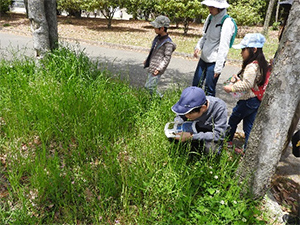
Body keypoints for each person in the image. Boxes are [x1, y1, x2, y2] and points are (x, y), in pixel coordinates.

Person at [223, 33, 269, 154]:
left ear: (253, 50)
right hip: (256, 100)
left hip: (247, 100)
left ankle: (227, 141)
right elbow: (253, 83)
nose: (241, 52)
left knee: (233, 119)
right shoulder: (261, 64)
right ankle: (247, 149)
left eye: (244, 49)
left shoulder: (251, 67)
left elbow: (247, 84)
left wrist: (231, 88)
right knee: (249, 124)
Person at [192, 0, 236, 96]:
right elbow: (205, 35)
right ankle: (195, 108)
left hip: (215, 61)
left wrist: (218, 67)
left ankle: (210, 109)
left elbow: (224, 46)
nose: (209, 9)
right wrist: (198, 46)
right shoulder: (210, 18)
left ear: (220, 8)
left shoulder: (227, 22)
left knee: (209, 88)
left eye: (212, 7)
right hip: (204, 57)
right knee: (196, 85)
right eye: (209, 6)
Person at [170, 86, 228, 154]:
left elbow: (219, 135)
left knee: (211, 149)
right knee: (173, 138)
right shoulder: (190, 102)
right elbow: (181, 115)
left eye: (189, 114)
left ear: (203, 108)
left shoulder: (219, 108)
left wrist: (192, 136)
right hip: (194, 127)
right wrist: (177, 123)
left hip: (210, 133)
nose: (186, 116)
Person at [144, 15, 176, 97]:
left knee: (149, 86)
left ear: (162, 28)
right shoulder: (157, 39)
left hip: (157, 68)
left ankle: (159, 98)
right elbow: (153, 51)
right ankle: (153, 99)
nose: (154, 29)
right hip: (152, 66)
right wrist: (147, 60)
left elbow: (167, 58)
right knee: (149, 86)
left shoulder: (168, 43)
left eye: (156, 27)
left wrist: (159, 69)